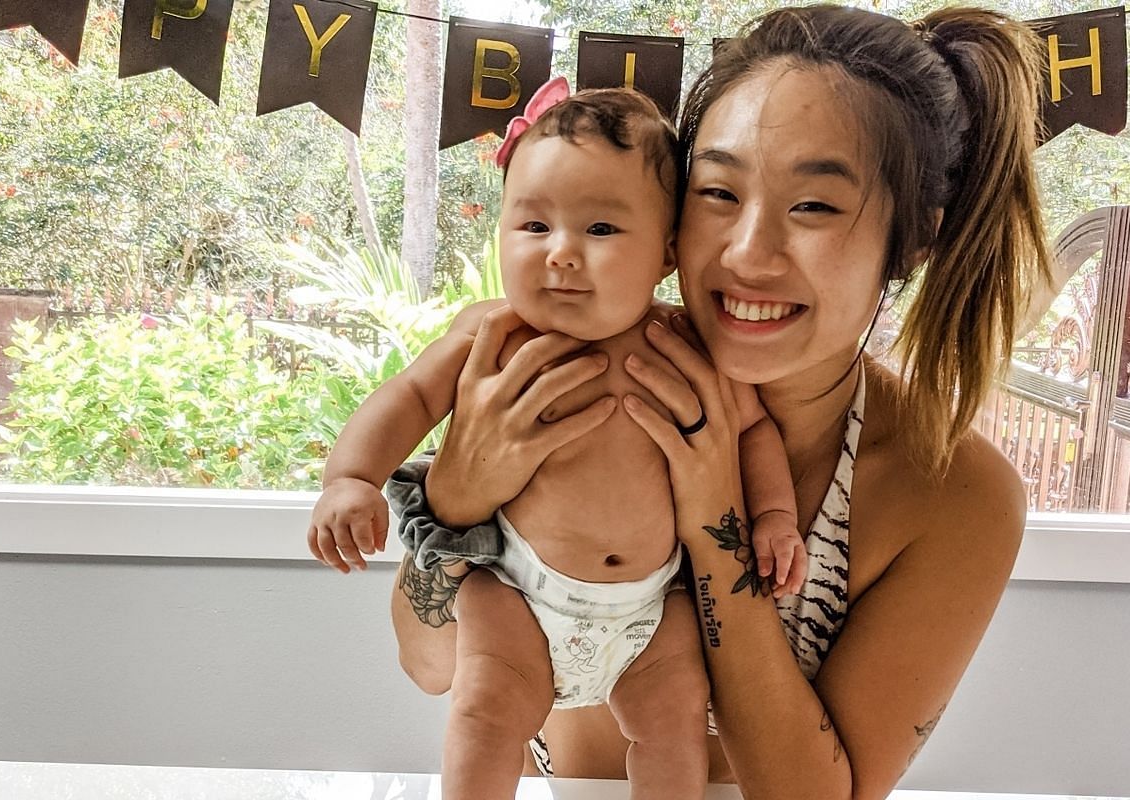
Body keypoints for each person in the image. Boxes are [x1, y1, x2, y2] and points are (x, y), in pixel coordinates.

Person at [386, 4, 1053, 798]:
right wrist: (456, 497)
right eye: (718, 193)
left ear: (913, 239)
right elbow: (428, 668)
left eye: (814, 206)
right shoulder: (545, 378)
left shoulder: (954, 493)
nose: (747, 253)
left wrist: (717, 530)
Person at [307, 80, 807, 800]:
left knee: (672, 730)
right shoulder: (492, 334)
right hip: (516, 592)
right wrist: (350, 479)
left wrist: (775, 517)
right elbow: (409, 396)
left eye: (600, 230)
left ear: (667, 252)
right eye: (533, 226)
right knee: (483, 717)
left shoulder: (684, 345)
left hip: (650, 605)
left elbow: (753, 429)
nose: (561, 254)